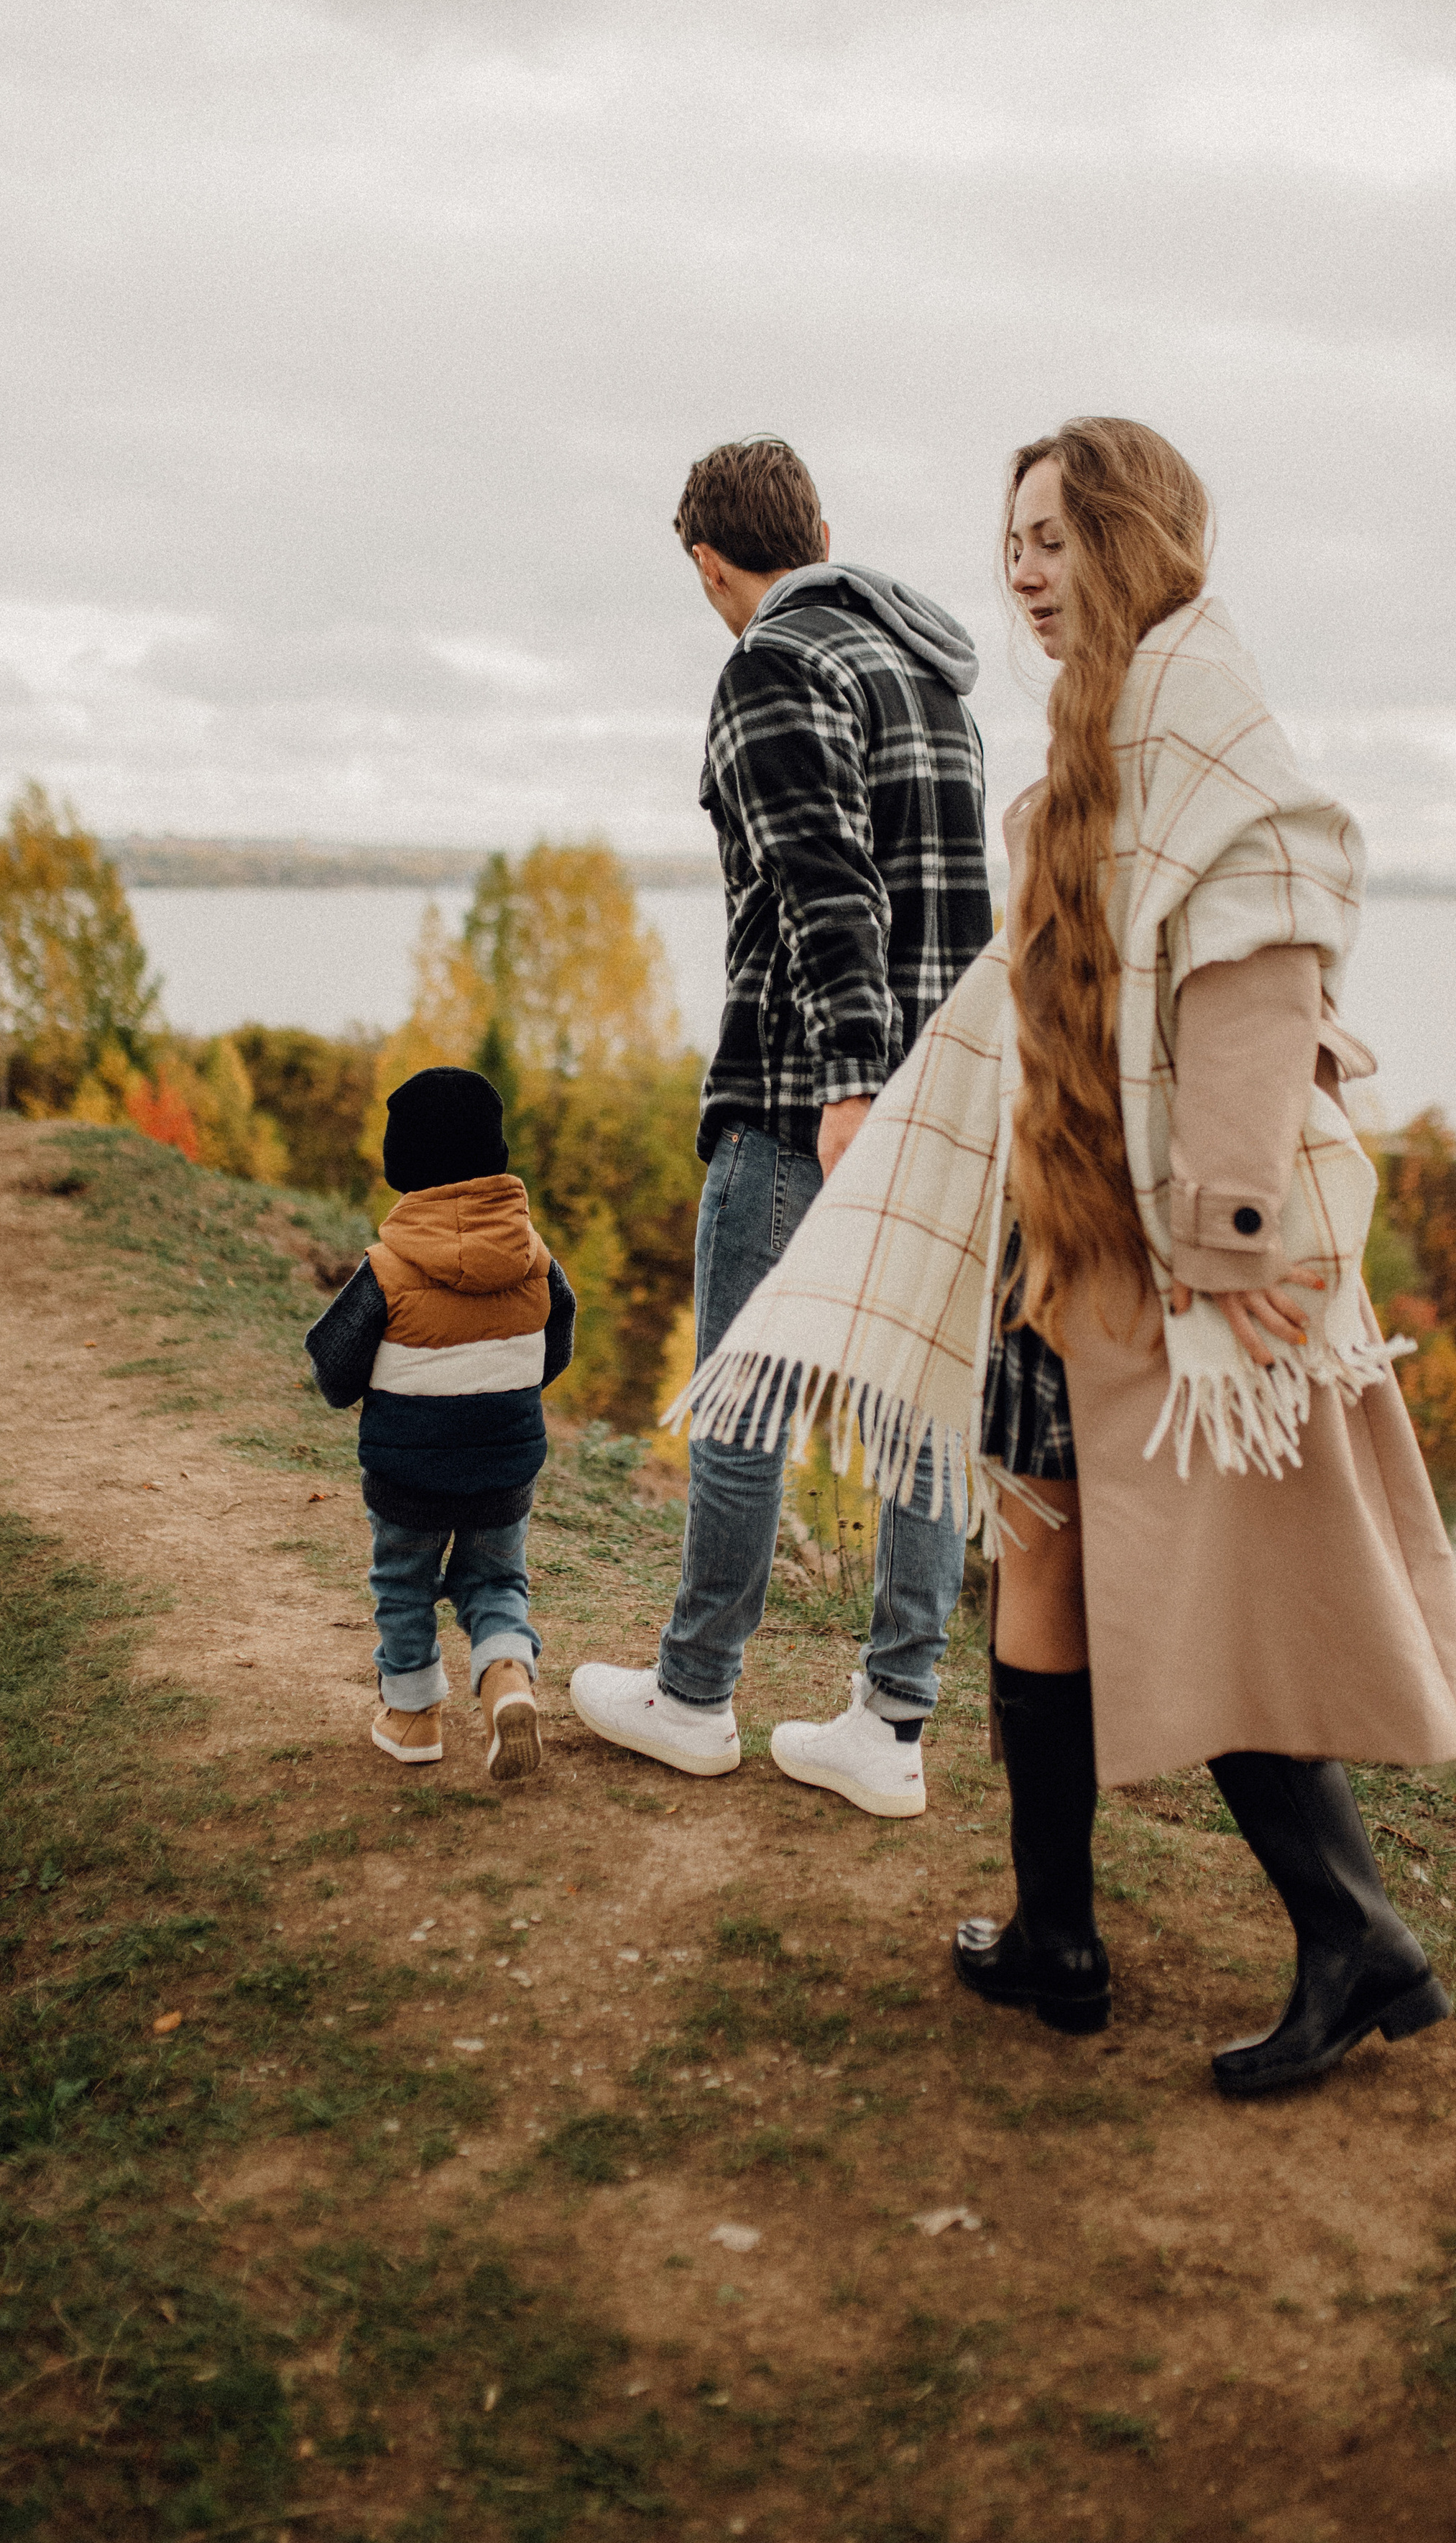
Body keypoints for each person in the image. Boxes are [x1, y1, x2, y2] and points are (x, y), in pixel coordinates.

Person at [670, 418, 1456, 2094]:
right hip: (1065, 1236)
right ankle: (1056, 1937)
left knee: (1200, 1576)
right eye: (1013, 541)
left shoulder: (1196, 718)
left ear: (1131, 537)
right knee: (1036, 1553)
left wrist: (1229, 1230)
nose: (1023, 571)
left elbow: (1256, 966)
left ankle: (1354, 1936)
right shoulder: (1095, 730)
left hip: (1169, 1257)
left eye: (1054, 537)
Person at [568, 434, 994, 1816]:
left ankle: (694, 1694)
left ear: (710, 562)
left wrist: (849, 1081)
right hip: (949, 1092)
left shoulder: (773, 662)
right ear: (813, 529)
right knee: (924, 1400)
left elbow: (825, 886)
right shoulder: (928, 672)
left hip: (804, 1095)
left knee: (744, 1390)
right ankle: (892, 1720)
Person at [305, 1067, 575, 1782]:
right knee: (496, 1579)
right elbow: (554, 1351)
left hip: (407, 1476)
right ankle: (506, 1678)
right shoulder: (537, 1262)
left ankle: (413, 1718)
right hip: (504, 1471)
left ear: (404, 1162)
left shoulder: (385, 1270)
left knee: (404, 1583)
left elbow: (335, 1370)